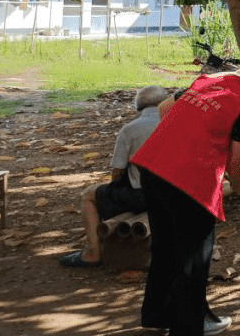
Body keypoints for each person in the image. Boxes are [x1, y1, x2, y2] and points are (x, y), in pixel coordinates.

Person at [130, 58, 240, 336]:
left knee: (165, 247)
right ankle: (189, 325)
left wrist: (182, 140)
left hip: (153, 167)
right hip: (188, 181)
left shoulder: (211, 80)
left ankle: (156, 315)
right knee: (194, 256)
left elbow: (164, 108)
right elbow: (235, 163)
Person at [58, 85, 167, 268]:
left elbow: (117, 173)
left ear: (138, 106)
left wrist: (117, 184)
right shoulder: (178, 124)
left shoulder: (130, 129)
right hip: (176, 194)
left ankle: (93, 252)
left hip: (143, 196)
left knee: (89, 194)